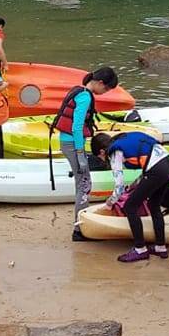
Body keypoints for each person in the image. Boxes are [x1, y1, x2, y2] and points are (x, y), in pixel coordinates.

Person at [51, 66, 119, 241]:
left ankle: (80, 226)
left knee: (83, 183)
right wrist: (81, 154)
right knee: (84, 185)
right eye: (106, 89)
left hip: (70, 143)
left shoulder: (79, 91)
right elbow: (76, 127)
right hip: (72, 144)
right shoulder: (84, 97)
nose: (104, 93)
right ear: (100, 83)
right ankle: (79, 230)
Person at [91, 130, 169, 262]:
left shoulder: (114, 152)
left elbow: (119, 187)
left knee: (130, 207)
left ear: (102, 151)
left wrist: (109, 204)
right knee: (154, 204)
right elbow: (147, 169)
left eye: (100, 157)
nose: (102, 160)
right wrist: (133, 185)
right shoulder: (125, 139)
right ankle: (160, 247)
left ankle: (140, 249)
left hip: (157, 169)